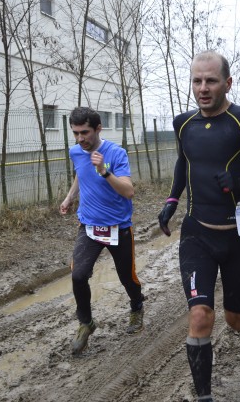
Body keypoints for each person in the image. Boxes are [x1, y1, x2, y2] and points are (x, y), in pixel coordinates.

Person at [158, 51, 240, 401]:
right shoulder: (182, 123)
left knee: (236, 321)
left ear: (227, 83)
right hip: (197, 233)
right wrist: (172, 202)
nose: (203, 88)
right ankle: (204, 396)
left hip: (238, 235)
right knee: (200, 315)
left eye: (211, 81)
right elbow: (183, 163)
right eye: (197, 81)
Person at [60, 107, 145, 356]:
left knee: (126, 277)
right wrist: (69, 198)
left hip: (118, 227)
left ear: (98, 129)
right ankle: (86, 323)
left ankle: (137, 307)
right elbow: (80, 174)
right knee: (78, 275)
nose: (79, 139)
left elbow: (128, 191)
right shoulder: (76, 151)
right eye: (75, 133)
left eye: (84, 132)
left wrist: (105, 171)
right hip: (89, 226)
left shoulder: (116, 153)